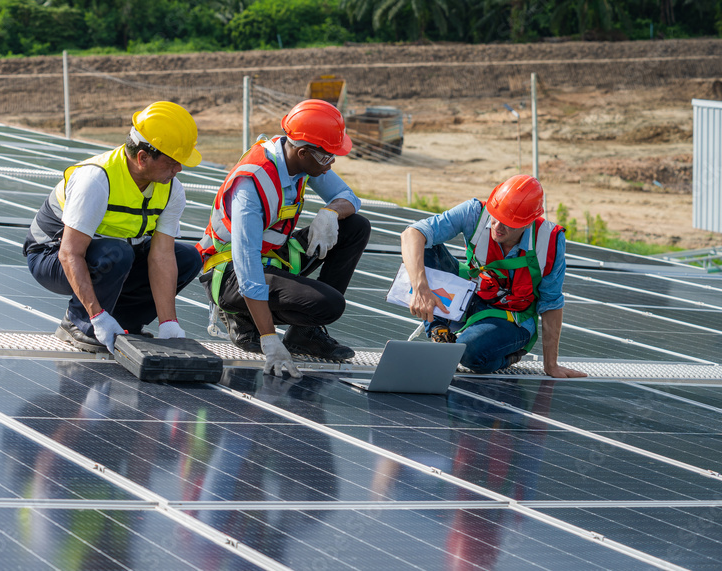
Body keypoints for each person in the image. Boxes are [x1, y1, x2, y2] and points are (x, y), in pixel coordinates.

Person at [198, 99, 371, 377]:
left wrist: (329, 213)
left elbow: (349, 198)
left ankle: (304, 335)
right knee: (329, 305)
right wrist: (269, 340)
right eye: (327, 156)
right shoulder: (252, 183)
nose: (332, 162)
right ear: (303, 153)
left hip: (274, 258)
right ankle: (240, 316)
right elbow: (248, 266)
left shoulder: (299, 161)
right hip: (230, 275)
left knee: (355, 226)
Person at [24, 101, 203, 352]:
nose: (179, 169)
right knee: (118, 253)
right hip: (52, 256)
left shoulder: (172, 189)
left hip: (114, 255)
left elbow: (162, 256)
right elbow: (69, 253)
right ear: (142, 157)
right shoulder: (96, 179)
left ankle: (124, 322)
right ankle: (79, 322)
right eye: (172, 161)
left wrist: (168, 323)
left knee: (188, 258)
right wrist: (97, 316)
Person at [400, 174, 587, 378]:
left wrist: (551, 365)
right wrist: (420, 287)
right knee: (426, 245)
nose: (497, 227)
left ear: (529, 222)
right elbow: (412, 234)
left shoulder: (549, 241)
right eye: (495, 217)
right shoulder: (475, 212)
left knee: (468, 353)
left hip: (511, 317)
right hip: (471, 295)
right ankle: (440, 331)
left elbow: (551, 303)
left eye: (509, 223)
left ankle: (509, 354)